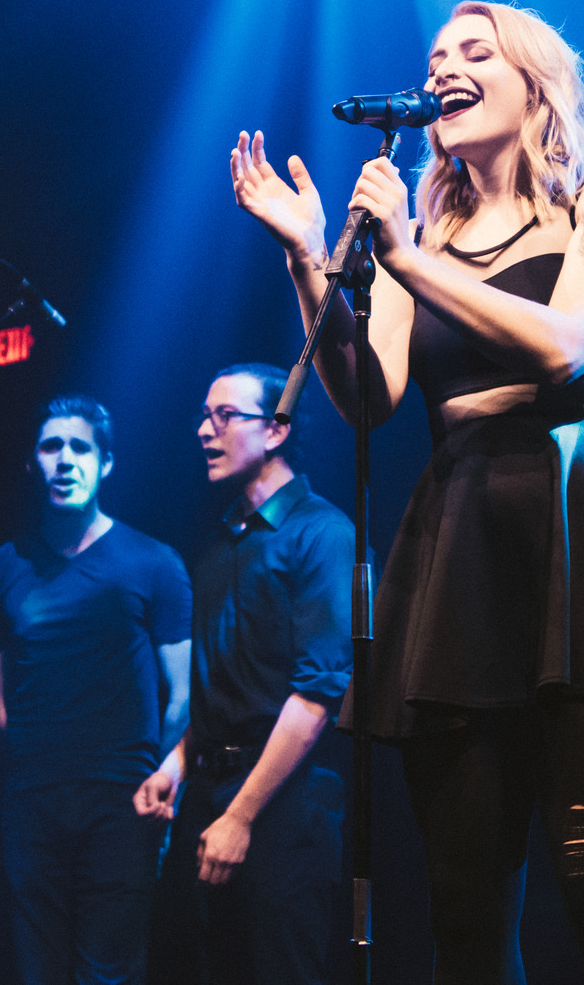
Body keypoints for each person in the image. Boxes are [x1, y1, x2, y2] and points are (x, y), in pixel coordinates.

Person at [230, 0, 584, 983]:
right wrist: (306, 257)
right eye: (434, 54)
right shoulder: (428, 235)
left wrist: (404, 257)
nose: (443, 66)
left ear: (533, 80)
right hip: (458, 552)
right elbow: (368, 396)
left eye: (472, 50)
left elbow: (560, 344)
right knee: (462, 905)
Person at [136, 363, 352, 985]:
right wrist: (175, 766)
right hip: (211, 789)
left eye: (224, 416)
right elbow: (217, 686)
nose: (206, 430)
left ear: (276, 429)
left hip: (285, 803)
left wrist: (242, 816)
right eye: (205, 416)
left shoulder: (322, 534)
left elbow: (317, 693)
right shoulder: (220, 540)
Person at [0, 395, 192, 985]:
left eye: (80, 447)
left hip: (123, 798)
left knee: (108, 970)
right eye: (50, 446)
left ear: (106, 463)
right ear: (31, 463)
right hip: (33, 796)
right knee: (37, 967)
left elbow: (184, 692)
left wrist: (166, 770)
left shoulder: (154, 563)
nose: (65, 460)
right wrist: (29, 750)